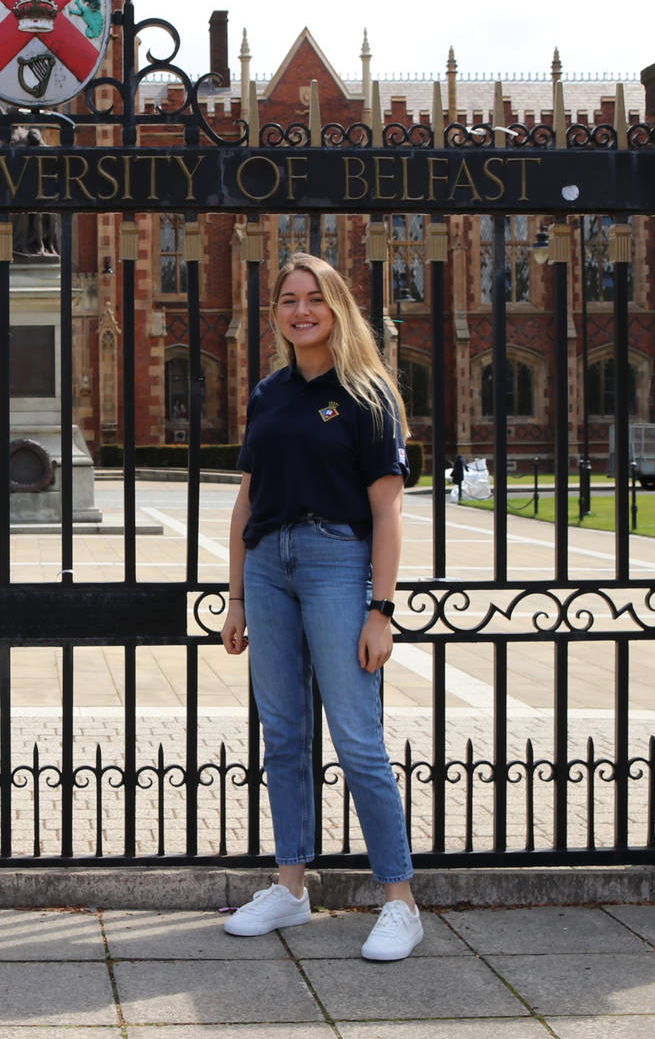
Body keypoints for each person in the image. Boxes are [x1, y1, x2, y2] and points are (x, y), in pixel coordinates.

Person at [220, 252, 422, 961]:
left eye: (314, 298)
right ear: (275, 313)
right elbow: (247, 498)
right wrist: (237, 595)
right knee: (282, 735)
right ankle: (291, 888)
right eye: (288, 300)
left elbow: (388, 510)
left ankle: (399, 899)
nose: (300, 310)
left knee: (358, 739)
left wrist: (382, 608)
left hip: (338, 561)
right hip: (269, 565)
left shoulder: (368, 394)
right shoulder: (269, 392)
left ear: (338, 308)